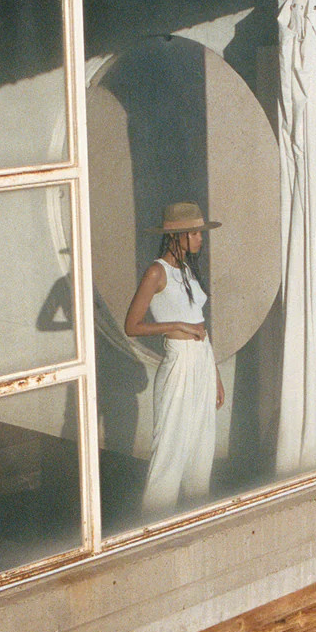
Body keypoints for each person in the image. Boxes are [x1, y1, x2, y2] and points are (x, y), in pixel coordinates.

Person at [124, 202, 225, 517]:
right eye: (194, 233)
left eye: (200, 233)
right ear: (175, 236)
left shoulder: (187, 270)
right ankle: (154, 521)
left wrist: (215, 376)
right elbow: (132, 326)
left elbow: (199, 322)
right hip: (179, 363)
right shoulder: (157, 272)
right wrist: (177, 326)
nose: (200, 239)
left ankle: (196, 517)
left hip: (202, 360)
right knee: (170, 448)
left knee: (201, 447)